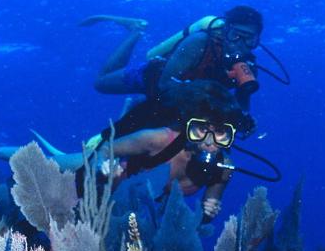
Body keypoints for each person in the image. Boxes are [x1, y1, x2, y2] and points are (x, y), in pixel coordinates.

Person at [14, 94, 250, 221]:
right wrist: (101, 166)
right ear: (188, 125)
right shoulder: (159, 139)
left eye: (220, 133)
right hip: (116, 174)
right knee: (47, 162)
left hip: (132, 208)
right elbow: (106, 149)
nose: (209, 141)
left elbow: (206, 213)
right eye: (201, 129)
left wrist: (209, 212)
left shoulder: (223, 168)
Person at [81, 6, 264, 113]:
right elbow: (164, 83)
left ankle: (136, 105)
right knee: (101, 84)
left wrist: (243, 119)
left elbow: (242, 106)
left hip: (185, 105)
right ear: (225, 32)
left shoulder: (248, 68)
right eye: (236, 36)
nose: (241, 45)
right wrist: (204, 94)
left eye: (250, 39)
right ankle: (136, 30)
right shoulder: (199, 42)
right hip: (151, 78)